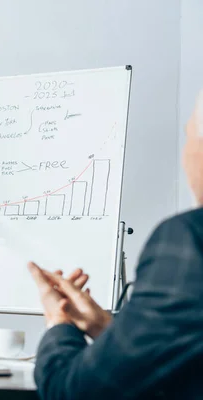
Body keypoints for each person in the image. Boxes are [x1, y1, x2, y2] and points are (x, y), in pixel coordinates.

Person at [28, 93, 203, 399]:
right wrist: (108, 328)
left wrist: (59, 322)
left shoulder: (188, 240)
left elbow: (73, 391)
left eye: (187, 136)